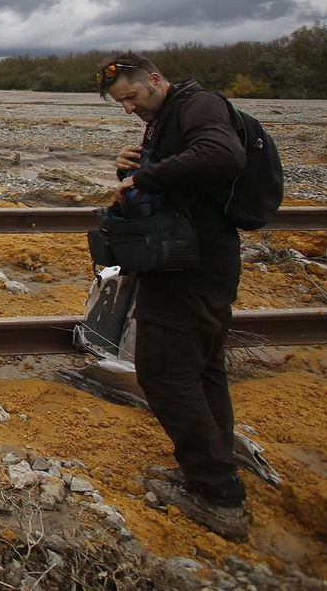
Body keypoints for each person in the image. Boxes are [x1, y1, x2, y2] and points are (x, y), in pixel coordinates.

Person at [97, 54, 250, 541]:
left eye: (132, 97)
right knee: (204, 372)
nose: (128, 108)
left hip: (192, 268)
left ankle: (217, 496)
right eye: (121, 103)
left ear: (155, 80)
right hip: (197, 262)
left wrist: (144, 178)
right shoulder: (170, 115)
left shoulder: (198, 105)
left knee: (163, 374)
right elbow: (188, 174)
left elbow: (223, 156)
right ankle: (213, 473)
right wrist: (135, 163)